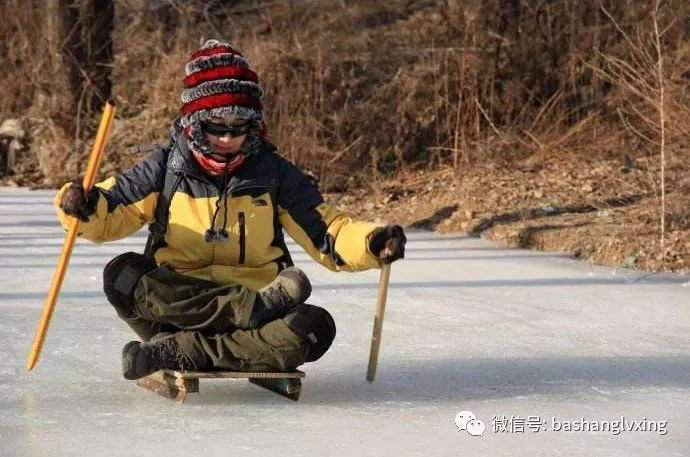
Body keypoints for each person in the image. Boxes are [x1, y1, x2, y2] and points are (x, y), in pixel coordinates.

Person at [54, 39, 406, 380]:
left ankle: (184, 351)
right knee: (122, 275)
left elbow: (329, 233)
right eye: (215, 127)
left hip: (261, 306)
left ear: (253, 126)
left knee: (315, 327)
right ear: (194, 123)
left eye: (238, 128)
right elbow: (108, 213)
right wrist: (79, 205)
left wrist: (372, 242)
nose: (226, 138)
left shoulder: (273, 173)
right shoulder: (165, 168)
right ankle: (238, 336)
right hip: (184, 305)